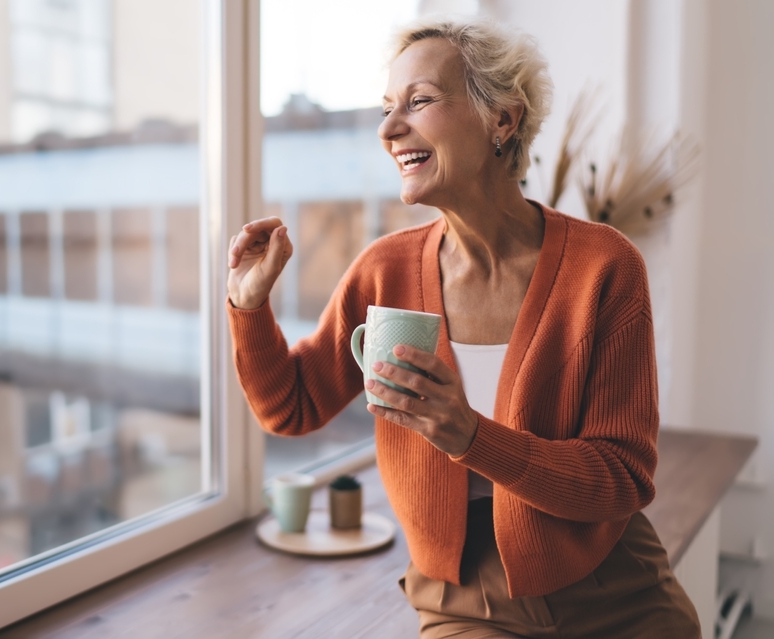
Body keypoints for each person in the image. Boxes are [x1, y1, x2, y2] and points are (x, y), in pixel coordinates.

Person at [226, 18, 701, 639]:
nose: (390, 128)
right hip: (465, 602)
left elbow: (622, 478)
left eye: (419, 102)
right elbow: (291, 406)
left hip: (618, 590)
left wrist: (471, 436)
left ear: (502, 120)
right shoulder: (383, 272)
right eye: (387, 108)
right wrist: (248, 308)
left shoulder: (603, 267)